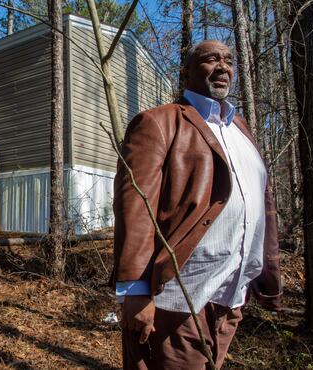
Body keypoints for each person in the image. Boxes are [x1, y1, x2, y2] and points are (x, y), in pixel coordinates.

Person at [108, 40, 283, 369]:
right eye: (211, 59)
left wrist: (269, 277)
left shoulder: (240, 129)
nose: (223, 67)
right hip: (177, 299)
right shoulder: (159, 122)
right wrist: (135, 291)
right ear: (186, 71)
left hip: (231, 299)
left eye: (229, 60)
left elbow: (264, 205)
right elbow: (135, 209)